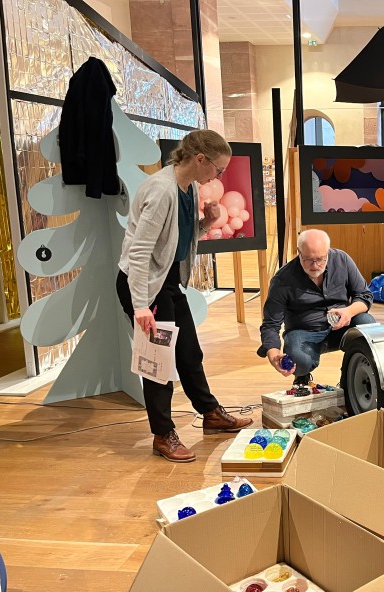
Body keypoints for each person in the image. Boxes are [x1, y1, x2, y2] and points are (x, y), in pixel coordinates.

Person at [117, 129, 252, 463]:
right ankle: (163, 435)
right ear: (200, 159)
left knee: (189, 352)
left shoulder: (189, 187)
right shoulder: (161, 191)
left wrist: (207, 223)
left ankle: (210, 413)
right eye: (219, 169)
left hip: (166, 281)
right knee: (158, 362)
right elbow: (139, 252)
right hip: (143, 284)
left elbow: (179, 239)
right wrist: (140, 305)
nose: (219, 176)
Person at [258, 229, 375, 386]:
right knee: (298, 362)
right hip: (303, 332)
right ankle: (302, 374)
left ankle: (349, 376)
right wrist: (274, 355)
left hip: (341, 327)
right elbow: (270, 324)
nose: (315, 265)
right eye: (308, 259)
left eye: (320, 259)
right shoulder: (282, 280)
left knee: (367, 324)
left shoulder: (342, 260)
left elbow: (365, 295)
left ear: (328, 251)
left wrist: (349, 311)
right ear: (299, 252)